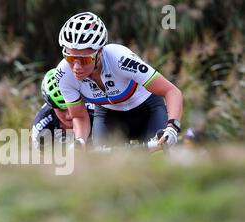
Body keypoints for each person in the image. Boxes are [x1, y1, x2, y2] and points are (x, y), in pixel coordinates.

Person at [54, 12, 183, 149]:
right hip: (109, 115)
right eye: (70, 58)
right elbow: (79, 116)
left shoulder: (121, 59)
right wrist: (80, 141)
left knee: (158, 158)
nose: (76, 67)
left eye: (85, 59)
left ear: (100, 52)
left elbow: (171, 91)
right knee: (103, 165)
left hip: (147, 109)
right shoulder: (63, 75)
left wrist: (172, 128)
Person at [32, 68, 95, 150]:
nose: (69, 115)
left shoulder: (93, 107)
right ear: (51, 107)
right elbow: (44, 160)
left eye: (72, 107)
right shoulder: (41, 127)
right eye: (62, 109)